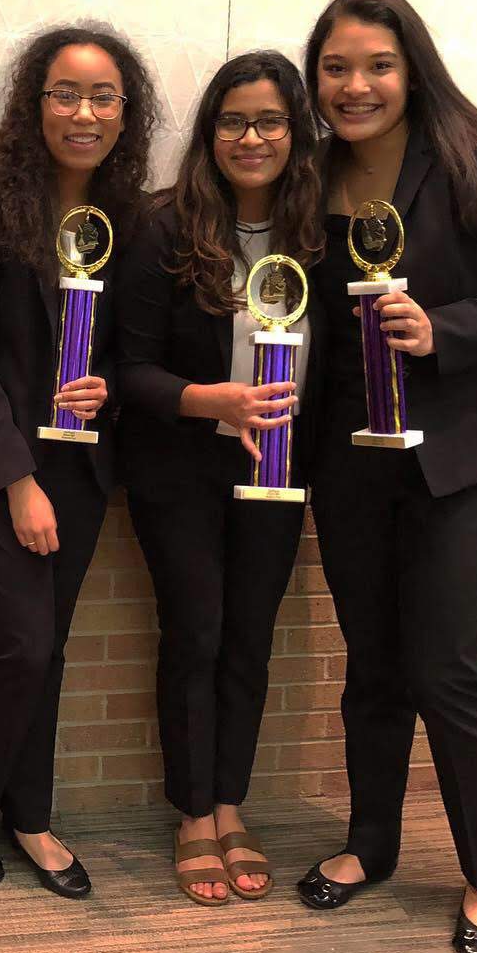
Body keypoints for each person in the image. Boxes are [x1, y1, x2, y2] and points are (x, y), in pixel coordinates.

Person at [296, 0, 477, 953]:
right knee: (372, 670)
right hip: (350, 466)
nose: (356, 85)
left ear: (412, 67)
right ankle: (370, 845)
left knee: (446, 670)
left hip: (469, 459)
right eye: (335, 67)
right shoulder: (311, 177)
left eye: (376, 64)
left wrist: (445, 330)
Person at [0, 24, 158, 898]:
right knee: (19, 644)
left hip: (83, 467)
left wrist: (108, 390)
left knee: (49, 648)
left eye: (103, 97)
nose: (84, 112)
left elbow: (130, 350)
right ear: (36, 102)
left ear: (125, 113)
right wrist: (18, 480)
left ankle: (29, 814)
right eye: (65, 93)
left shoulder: (128, 214)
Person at [116, 51, 321, 906]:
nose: (251, 137)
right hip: (182, 472)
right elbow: (129, 369)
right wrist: (212, 402)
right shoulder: (163, 228)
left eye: (270, 121)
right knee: (195, 634)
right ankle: (193, 814)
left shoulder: (320, 231)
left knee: (247, 641)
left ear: (294, 133)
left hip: (283, 470)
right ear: (209, 133)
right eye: (233, 121)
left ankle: (231, 801)